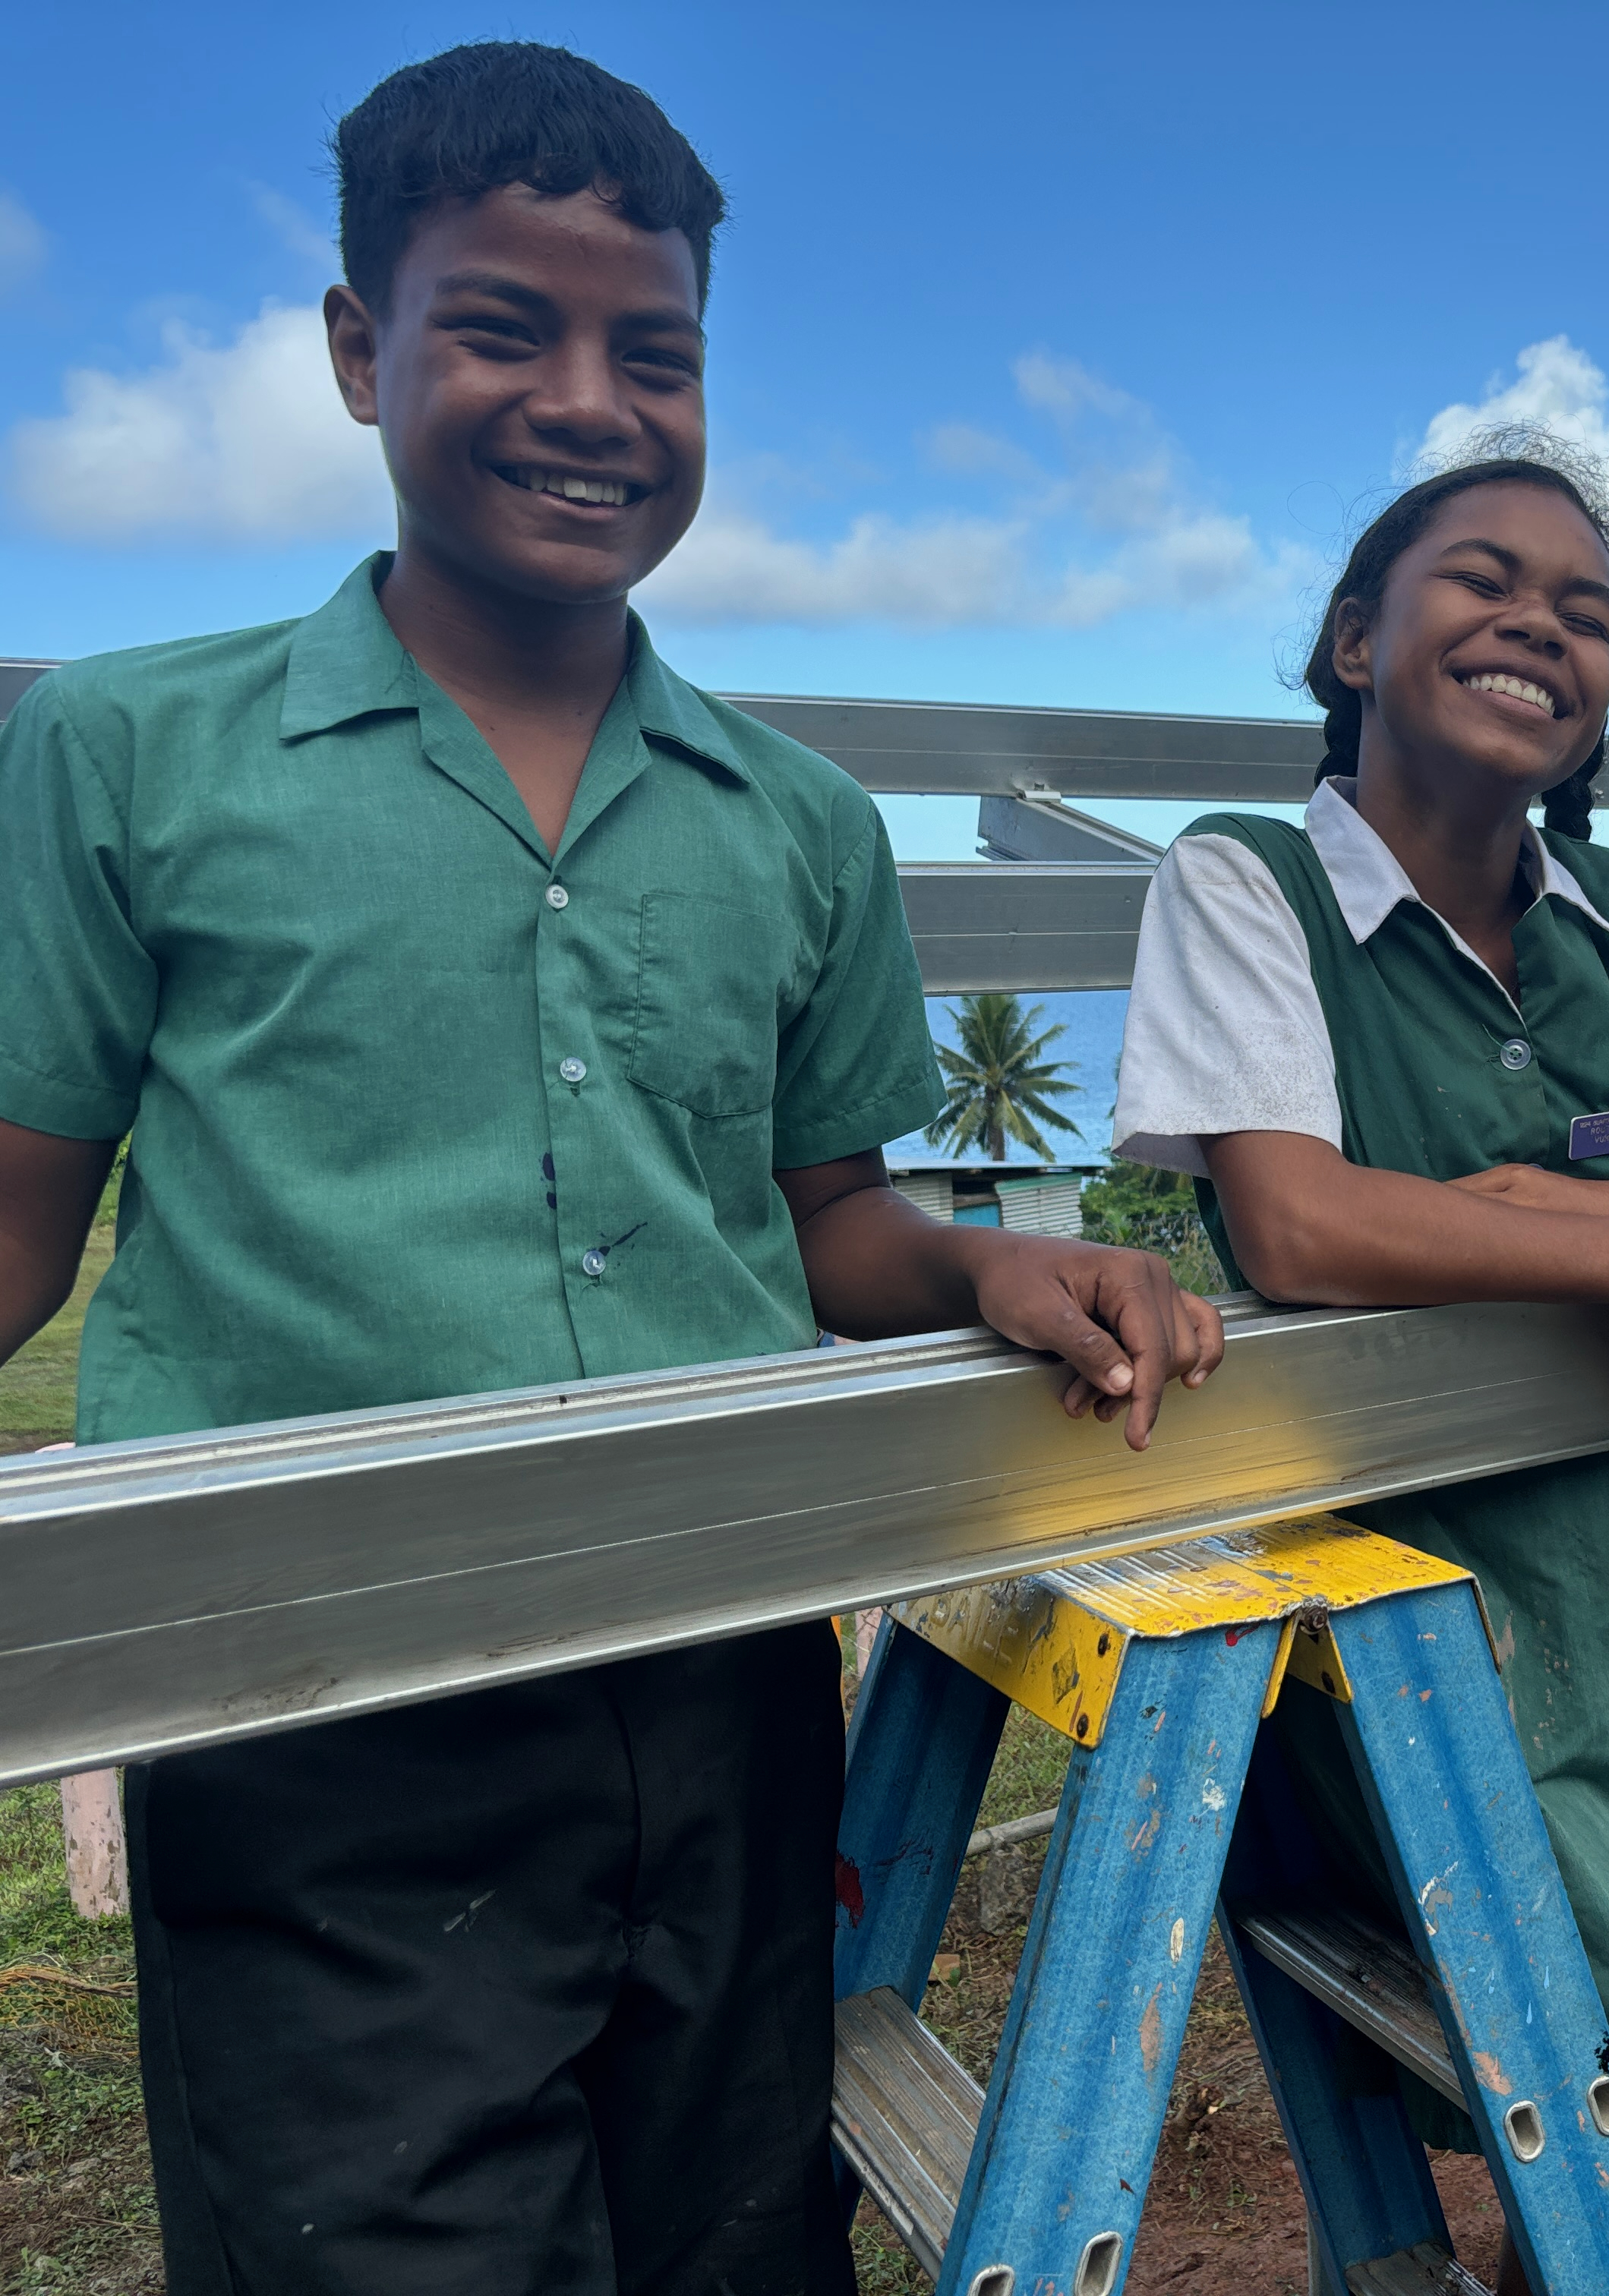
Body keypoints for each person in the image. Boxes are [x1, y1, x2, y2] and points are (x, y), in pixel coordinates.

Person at [0, 43, 1220, 2296]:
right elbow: (17, 1222)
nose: (591, 401)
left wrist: (985, 1275)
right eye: (501, 328)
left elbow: (822, 1217)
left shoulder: (794, 823)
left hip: (721, 1660)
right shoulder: (124, 753)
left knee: (737, 2231)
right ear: (363, 349)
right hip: (313, 1692)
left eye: (655, 354)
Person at [1111, 437, 1609, 2296]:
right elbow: (1298, 1225)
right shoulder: (1248, 886)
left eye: (1590, 615)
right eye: (1481, 582)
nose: (1537, 630)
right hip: (1429, 1624)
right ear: (1350, 641)